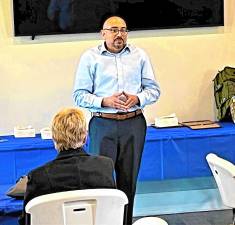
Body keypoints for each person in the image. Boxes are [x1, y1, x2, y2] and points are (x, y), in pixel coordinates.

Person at [73, 16, 160, 225]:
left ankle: (125, 222)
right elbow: (79, 95)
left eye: (123, 30)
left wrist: (137, 98)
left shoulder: (139, 56)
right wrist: (105, 100)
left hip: (134, 123)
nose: (119, 34)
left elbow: (154, 90)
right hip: (103, 124)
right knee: (100, 180)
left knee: (128, 181)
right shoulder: (90, 57)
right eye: (113, 30)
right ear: (103, 33)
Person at [18, 107, 116, 225]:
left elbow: (27, 221)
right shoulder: (105, 167)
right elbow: (110, 209)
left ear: (54, 139)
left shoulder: (38, 176)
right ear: (85, 137)